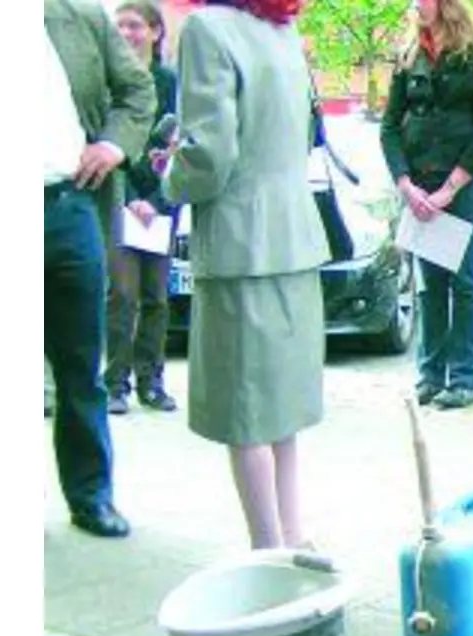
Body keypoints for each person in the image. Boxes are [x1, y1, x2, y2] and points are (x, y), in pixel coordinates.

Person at [160, 0, 330, 550]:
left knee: (245, 412)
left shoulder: (208, 29)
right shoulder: (282, 30)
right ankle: (293, 537)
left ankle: (268, 552)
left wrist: (168, 175)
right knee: (280, 409)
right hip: (294, 237)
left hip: (239, 241)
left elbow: (210, 154)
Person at [43, 0, 155, 538]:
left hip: (68, 205)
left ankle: (91, 496)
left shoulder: (76, 13)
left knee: (80, 362)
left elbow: (138, 90)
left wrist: (113, 144)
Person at [380, 0, 473, 411]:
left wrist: (449, 190)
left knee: (464, 280)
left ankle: (466, 379)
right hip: (420, 187)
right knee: (430, 285)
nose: (416, 4)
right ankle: (431, 375)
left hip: (465, 186)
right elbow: (389, 129)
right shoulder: (408, 57)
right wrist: (406, 185)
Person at [107, 0, 181, 415]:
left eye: (135, 25)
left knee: (156, 295)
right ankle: (114, 383)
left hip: (162, 201)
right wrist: (133, 196)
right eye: (120, 26)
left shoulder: (170, 81)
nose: (127, 34)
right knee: (121, 293)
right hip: (121, 198)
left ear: (154, 31)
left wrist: (156, 199)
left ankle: (151, 382)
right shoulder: (108, 82)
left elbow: (177, 142)